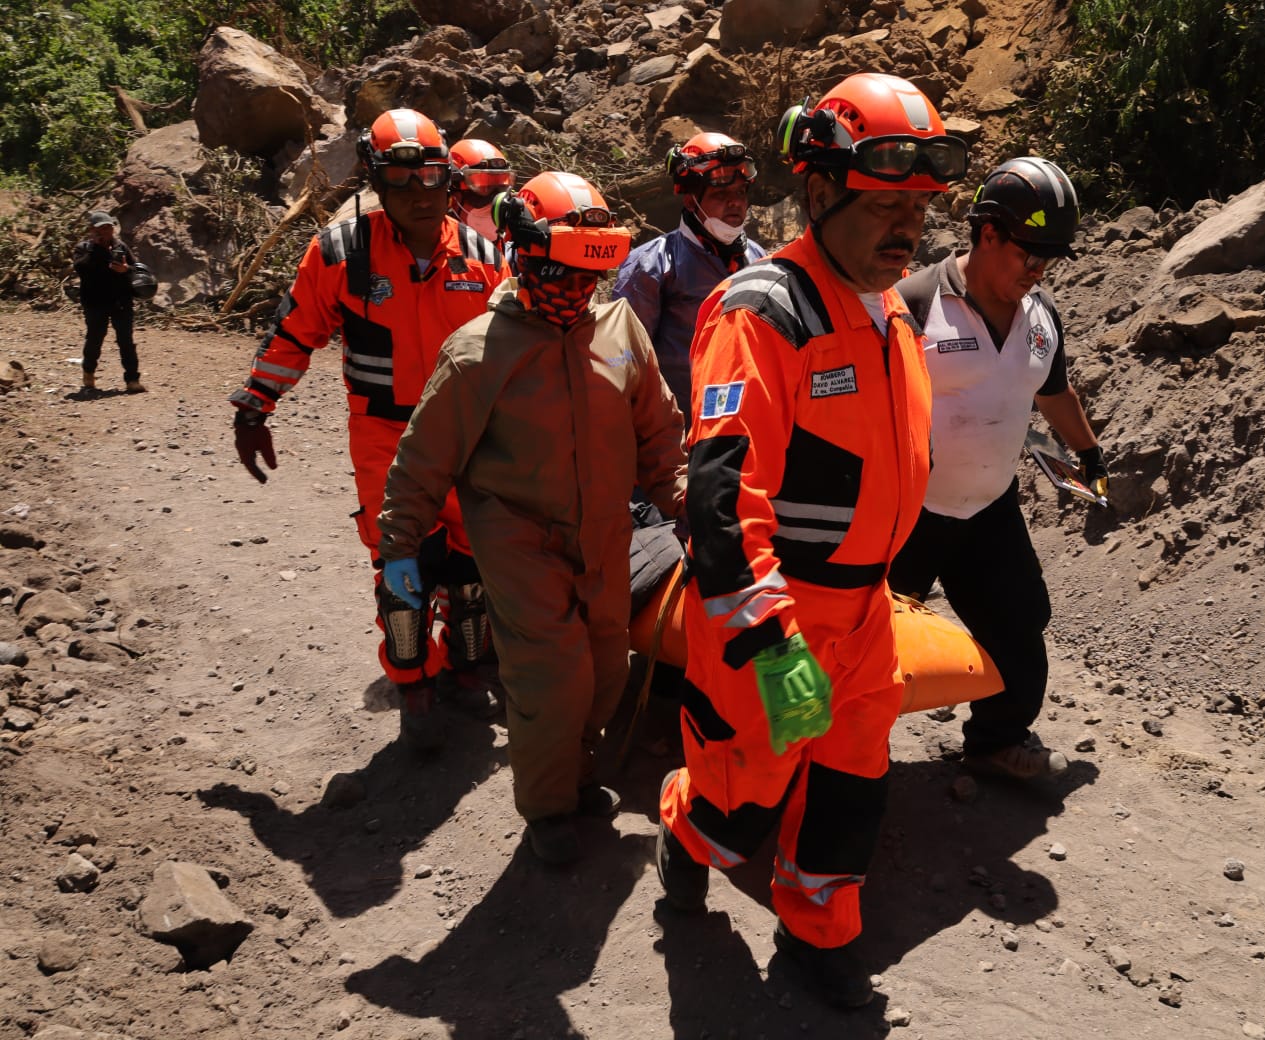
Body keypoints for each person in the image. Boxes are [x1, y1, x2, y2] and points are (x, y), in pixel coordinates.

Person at [655, 73, 965, 1008]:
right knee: (744, 793)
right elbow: (718, 494)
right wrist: (764, 635)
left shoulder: (893, 313)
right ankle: (683, 825)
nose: (905, 228)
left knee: (850, 787)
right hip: (778, 615)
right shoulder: (764, 312)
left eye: (917, 206)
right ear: (822, 191)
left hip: (864, 612)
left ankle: (817, 933)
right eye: (882, 205)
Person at [376, 171, 687, 866]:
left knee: (608, 666)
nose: (576, 291)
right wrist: (398, 552)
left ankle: (575, 776)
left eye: (589, 277)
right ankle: (548, 809)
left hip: (605, 533)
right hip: (519, 542)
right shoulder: (480, 354)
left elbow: (658, 431)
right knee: (553, 679)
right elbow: (421, 463)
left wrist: (685, 499)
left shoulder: (615, 329)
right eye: (563, 273)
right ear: (524, 255)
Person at [228, 108, 507, 749]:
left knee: (471, 566)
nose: (418, 194)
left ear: (451, 180)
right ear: (377, 184)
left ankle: (468, 669)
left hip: (470, 437)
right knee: (401, 568)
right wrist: (255, 406)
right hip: (386, 434)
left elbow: (519, 352)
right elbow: (294, 333)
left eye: (430, 177)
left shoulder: (486, 258)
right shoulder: (339, 253)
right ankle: (413, 685)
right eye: (399, 180)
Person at [891, 156, 1107, 782]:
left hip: (988, 507)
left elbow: (1055, 392)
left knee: (1019, 622)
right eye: (1027, 254)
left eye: (1049, 259)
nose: (1037, 271)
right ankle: (823, 759)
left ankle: (996, 740)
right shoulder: (913, 302)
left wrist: (1089, 454)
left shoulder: (1042, 317)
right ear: (987, 234)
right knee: (858, 637)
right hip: (905, 511)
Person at [611, 132, 766, 421]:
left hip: (746, 425)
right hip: (679, 434)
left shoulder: (757, 258)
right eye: (721, 194)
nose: (735, 204)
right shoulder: (652, 265)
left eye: (740, 193)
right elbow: (623, 363)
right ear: (690, 200)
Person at [73, 211, 143, 393]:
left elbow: (136, 269)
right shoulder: (83, 248)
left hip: (121, 301)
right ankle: (88, 372)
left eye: (109, 227)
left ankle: (132, 380)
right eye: (102, 228)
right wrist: (95, 249)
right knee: (95, 339)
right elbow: (80, 268)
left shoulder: (120, 246)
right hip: (95, 302)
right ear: (92, 230)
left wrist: (125, 269)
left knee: (126, 340)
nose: (107, 231)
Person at [447, 138, 512, 243]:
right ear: (452, 194)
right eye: (484, 186)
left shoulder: (513, 249)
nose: (495, 200)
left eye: (501, 186)